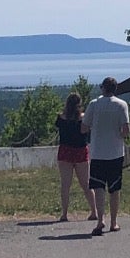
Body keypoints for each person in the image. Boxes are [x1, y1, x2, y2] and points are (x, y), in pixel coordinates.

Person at [82, 76, 130, 236]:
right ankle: (114, 222)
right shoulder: (121, 105)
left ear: (103, 88)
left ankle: (100, 220)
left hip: (97, 152)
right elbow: (126, 130)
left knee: (98, 187)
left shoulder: (94, 104)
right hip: (115, 153)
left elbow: (84, 128)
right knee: (114, 188)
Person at [54, 91, 94, 224]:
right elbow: (86, 131)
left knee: (65, 184)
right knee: (86, 183)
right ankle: (94, 211)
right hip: (81, 150)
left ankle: (64, 214)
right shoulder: (83, 118)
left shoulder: (61, 118)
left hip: (65, 150)